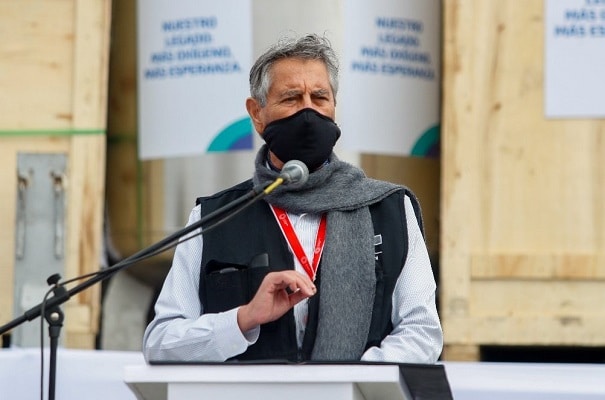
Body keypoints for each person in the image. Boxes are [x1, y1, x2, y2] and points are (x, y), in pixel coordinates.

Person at [143, 34, 443, 363]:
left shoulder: (389, 209)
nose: (308, 111)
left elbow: (422, 332)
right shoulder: (215, 217)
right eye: (291, 98)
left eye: (320, 97)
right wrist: (242, 319)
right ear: (257, 113)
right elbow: (161, 342)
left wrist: (348, 381)